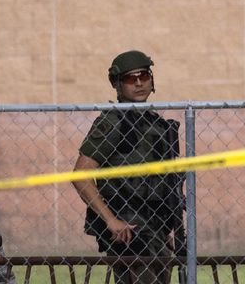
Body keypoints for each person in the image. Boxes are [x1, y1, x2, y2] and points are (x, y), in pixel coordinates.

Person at [71, 51, 184, 284]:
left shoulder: (155, 124)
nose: (140, 83)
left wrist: (171, 228)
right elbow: (80, 176)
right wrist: (111, 220)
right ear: (117, 84)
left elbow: (168, 184)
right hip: (130, 231)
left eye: (144, 75)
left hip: (157, 229)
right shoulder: (114, 121)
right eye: (131, 79)